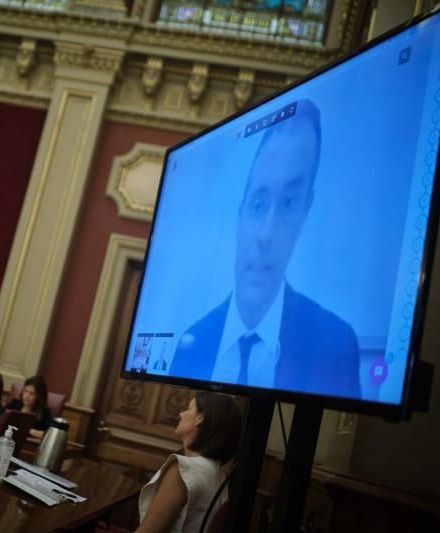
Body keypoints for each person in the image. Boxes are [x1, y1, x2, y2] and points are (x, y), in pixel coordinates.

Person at [170, 100, 361, 399]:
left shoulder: (335, 344)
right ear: (240, 212)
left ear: (305, 213)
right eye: (258, 205)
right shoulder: (191, 342)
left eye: (288, 203)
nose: (266, 235)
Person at [137, 392, 242, 533]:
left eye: (188, 408)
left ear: (200, 418)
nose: (181, 414)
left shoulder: (183, 469)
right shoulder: (218, 475)